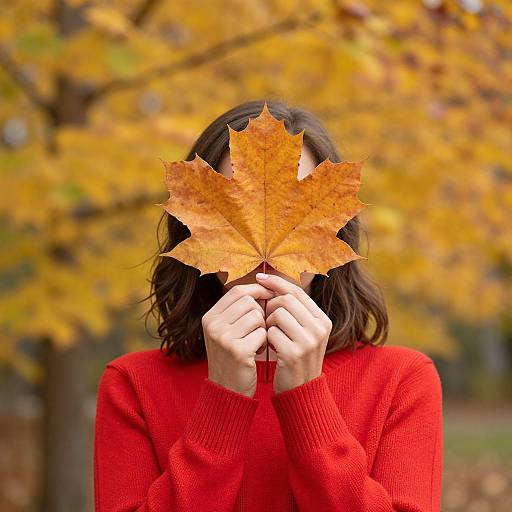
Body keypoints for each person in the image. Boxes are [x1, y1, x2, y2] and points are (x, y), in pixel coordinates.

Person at [93, 99, 443, 511]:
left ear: (334, 232)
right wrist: (222, 401)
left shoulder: (402, 381)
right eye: (234, 217)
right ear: (193, 230)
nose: (266, 257)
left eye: (294, 214)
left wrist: (307, 399)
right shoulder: (132, 385)